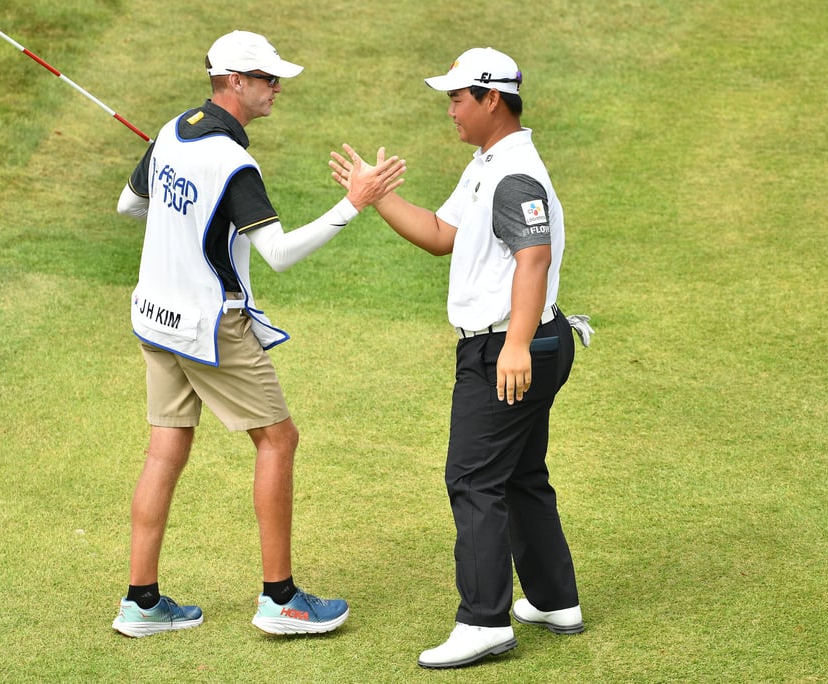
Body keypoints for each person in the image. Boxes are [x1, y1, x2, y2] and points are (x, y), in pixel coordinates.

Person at [111, 30, 405, 638]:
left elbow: (129, 205)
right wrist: (352, 203)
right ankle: (281, 600)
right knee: (278, 439)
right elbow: (279, 253)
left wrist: (186, 216)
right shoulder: (233, 162)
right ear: (234, 82)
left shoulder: (172, 131)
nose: (276, 88)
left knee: (165, 448)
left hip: (154, 317)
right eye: (268, 79)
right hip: (210, 328)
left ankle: (140, 603)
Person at [331, 47, 584, 668]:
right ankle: (554, 600)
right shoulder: (486, 165)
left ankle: (483, 622)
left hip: (508, 345)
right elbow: (441, 236)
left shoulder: (514, 175)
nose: (450, 110)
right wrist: (373, 198)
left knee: (472, 480)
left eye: (457, 98)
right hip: (522, 340)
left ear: (491, 98)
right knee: (519, 474)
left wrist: (515, 345)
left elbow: (534, 259)